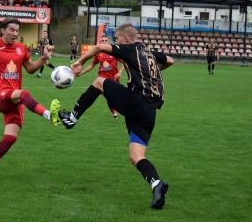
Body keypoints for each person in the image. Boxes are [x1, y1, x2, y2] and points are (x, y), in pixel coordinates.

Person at [58, 23, 174, 209]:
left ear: (125, 39)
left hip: (136, 102)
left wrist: (80, 61)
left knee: (99, 82)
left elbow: (98, 47)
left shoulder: (129, 49)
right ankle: (157, 184)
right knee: (136, 156)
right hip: (149, 112)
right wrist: (151, 73)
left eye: (117, 39)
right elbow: (170, 60)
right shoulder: (148, 51)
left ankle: (72, 118)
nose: (116, 42)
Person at [0, 17, 60, 183]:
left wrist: (44, 58)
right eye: (11, 30)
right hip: (0, 95)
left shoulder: (20, 48)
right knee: (24, 93)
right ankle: (49, 115)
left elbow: (31, 69)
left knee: (10, 138)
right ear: (3, 30)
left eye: (17, 31)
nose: (15, 34)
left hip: (14, 99)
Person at [78, 35, 125, 119]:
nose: (104, 42)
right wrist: (80, 73)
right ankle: (114, 112)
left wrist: (120, 72)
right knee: (108, 96)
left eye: (105, 41)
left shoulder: (113, 52)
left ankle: (117, 110)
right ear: (100, 42)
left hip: (113, 79)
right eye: (102, 41)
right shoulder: (98, 54)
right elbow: (91, 65)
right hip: (102, 79)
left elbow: (124, 62)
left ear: (108, 42)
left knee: (115, 98)